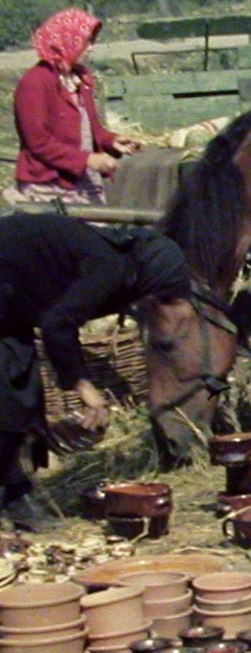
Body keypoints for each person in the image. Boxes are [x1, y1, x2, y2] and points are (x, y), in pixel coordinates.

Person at [0, 214, 192, 531]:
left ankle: (16, 496)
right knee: (9, 400)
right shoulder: (109, 267)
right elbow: (56, 326)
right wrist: (89, 394)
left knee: (22, 396)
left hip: (10, 305)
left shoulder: (114, 258)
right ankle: (15, 499)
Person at [9, 9, 138, 207]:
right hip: (50, 185)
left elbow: (88, 129)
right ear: (65, 41)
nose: (91, 48)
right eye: (87, 41)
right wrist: (88, 160)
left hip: (83, 180)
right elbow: (38, 143)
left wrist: (111, 141)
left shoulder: (79, 79)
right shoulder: (35, 82)